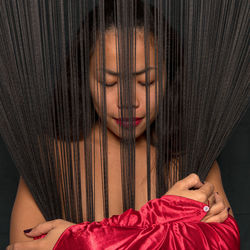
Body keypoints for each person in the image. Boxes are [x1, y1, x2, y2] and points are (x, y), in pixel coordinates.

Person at [7, 1, 238, 249]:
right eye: (109, 82)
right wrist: (163, 222)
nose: (128, 102)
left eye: (145, 81)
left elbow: (226, 243)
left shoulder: (193, 160)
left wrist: (80, 240)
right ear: (84, 78)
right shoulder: (49, 158)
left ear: (168, 78)